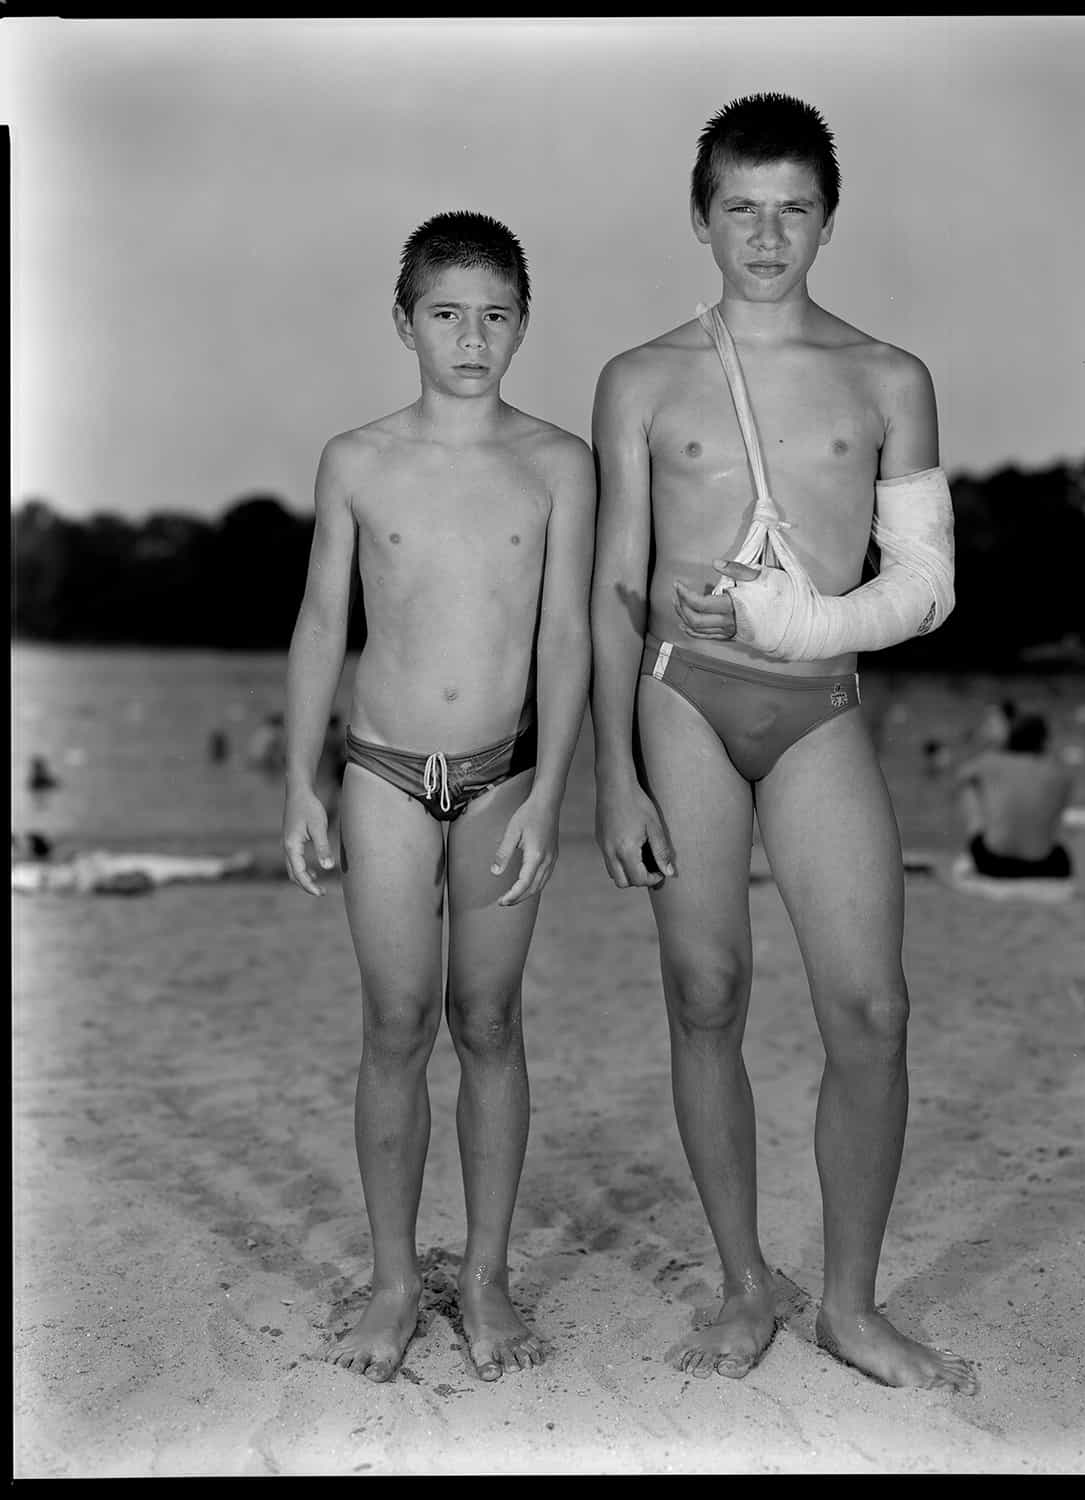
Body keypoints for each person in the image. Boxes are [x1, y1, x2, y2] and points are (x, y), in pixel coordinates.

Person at [590, 92, 976, 1392]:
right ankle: (745, 1283)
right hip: (682, 694)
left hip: (818, 704)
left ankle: (850, 1306)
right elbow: (616, 586)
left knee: (870, 1008)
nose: (766, 234)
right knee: (706, 995)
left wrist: (796, 620)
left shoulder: (887, 378)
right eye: (741, 209)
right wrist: (614, 781)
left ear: (826, 219)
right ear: (703, 219)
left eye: (792, 209)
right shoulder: (640, 379)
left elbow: (923, 585)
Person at [282, 210, 594, 1385]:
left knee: (493, 1021)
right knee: (396, 1025)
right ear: (404, 321)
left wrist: (554, 786)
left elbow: (566, 636)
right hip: (379, 772)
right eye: (447, 314)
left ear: (524, 324)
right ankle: (396, 1280)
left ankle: (494, 1277)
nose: (473, 337)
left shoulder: (558, 460)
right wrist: (298, 780)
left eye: (496, 315)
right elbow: (324, 621)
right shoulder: (356, 459)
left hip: (503, 770)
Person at [954, 712, 1073, 878]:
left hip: (993, 862)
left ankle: (981, 836)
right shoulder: (1057, 771)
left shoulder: (990, 762)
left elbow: (961, 777)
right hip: (1045, 864)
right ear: (1044, 740)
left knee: (969, 788)